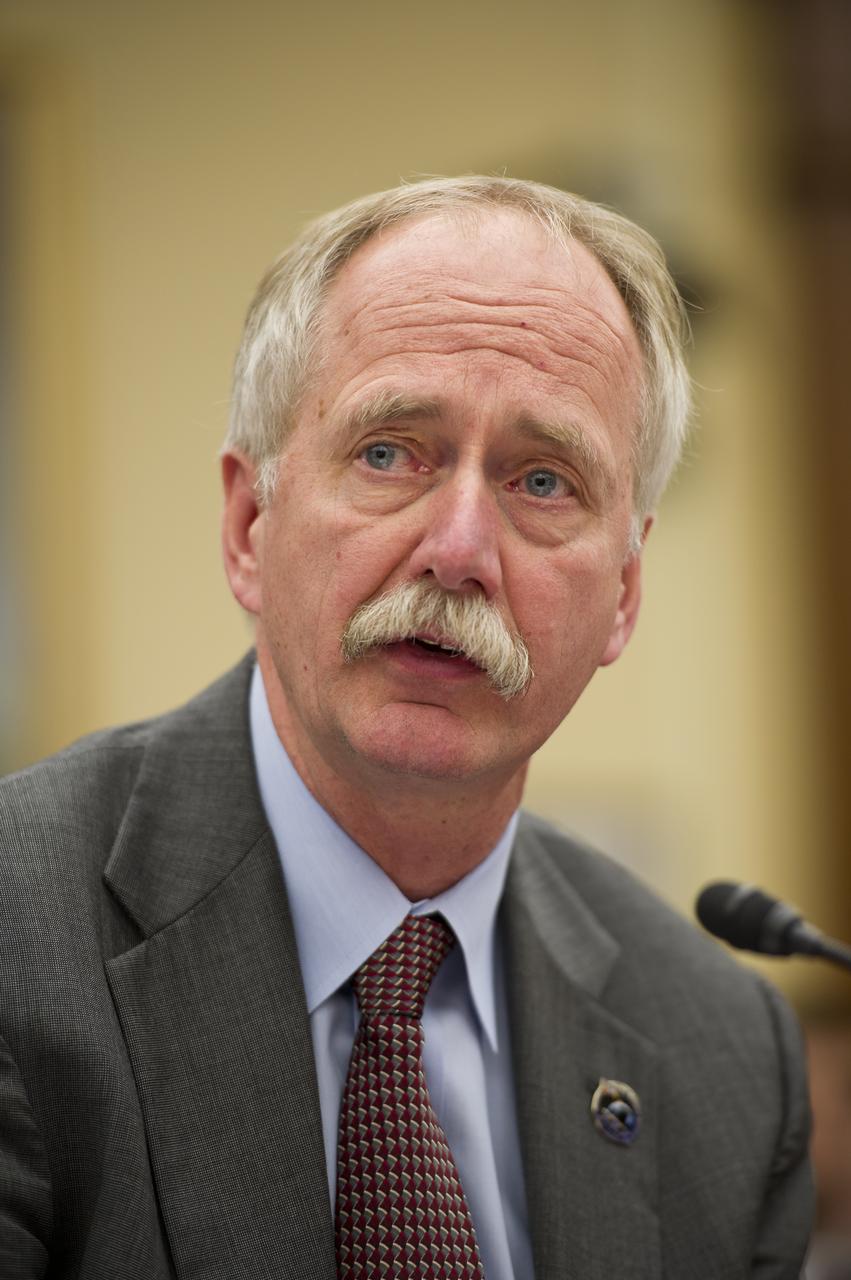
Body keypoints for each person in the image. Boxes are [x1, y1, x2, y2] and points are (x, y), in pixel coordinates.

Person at [0, 176, 812, 1279]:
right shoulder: (19, 936)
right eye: (389, 451)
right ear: (248, 523)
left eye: (542, 479)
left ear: (621, 596)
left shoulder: (721, 1053)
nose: (460, 548)